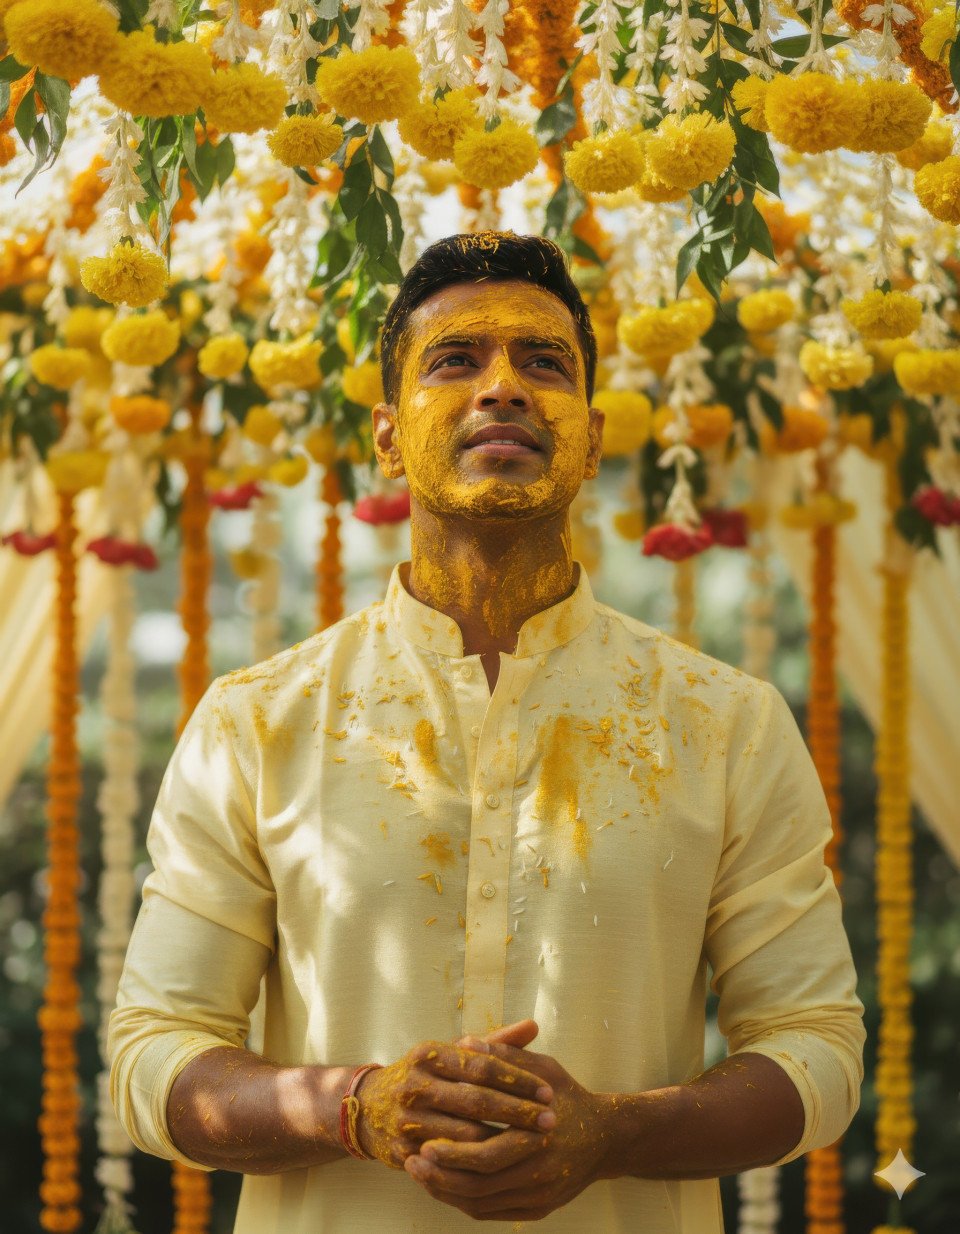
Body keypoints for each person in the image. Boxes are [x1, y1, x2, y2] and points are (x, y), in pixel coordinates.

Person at [109, 231, 865, 1233]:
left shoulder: (725, 723)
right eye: (455, 360)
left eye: (543, 363)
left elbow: (817, 1050)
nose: (502, 387)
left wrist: (614, 1134)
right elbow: (153, 1054)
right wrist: (358, 1108)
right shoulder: (255, 721)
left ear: (591, 436)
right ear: (387, 436)